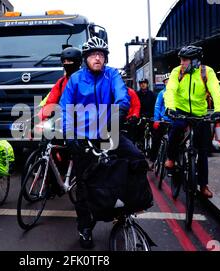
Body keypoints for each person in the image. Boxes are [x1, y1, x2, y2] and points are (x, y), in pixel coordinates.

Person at [59, 37, 146, 249]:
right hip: (83, 137)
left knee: (136, 159)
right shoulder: (76, 80)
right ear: (86, 59)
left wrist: (119, 112)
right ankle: (85, 228)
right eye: (93, 55)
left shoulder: (112, 74)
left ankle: (128, 206)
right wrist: (70, 136)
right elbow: (65, 108)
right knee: (85, 186)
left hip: (110, 132)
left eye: (101, 55)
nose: (97, 58)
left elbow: (121, 96)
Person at [164, 45, 220, 198]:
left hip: (199, 114)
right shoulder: (177, 72)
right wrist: (170, 107)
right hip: (181, 110)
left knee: (203, 150)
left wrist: (218, 110)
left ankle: (203, 186)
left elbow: (216, 91)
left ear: (195, 61)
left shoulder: (206, 72)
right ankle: (171, 158)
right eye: (181, 59)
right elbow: (170, 90)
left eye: (185, 60)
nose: (181, 63)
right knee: (176, 128)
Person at [37, 47, 82, 121]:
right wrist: (37, 118)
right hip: (65, 121)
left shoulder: (87, 80)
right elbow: (50, 103)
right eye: (65, 61)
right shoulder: (61, 82)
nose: (67, 63)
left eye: (70, 61)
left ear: (78, 62)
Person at [150, 73, 172, 162]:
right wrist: (156, 120)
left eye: (170, 81)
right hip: (164, 120)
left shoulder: (178, 93)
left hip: (174, 120)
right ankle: (153, 159)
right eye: (166, 81)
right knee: (156, 139)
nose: (168, 83)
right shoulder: (162, 93)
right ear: (164, 83)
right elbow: (157, 107)